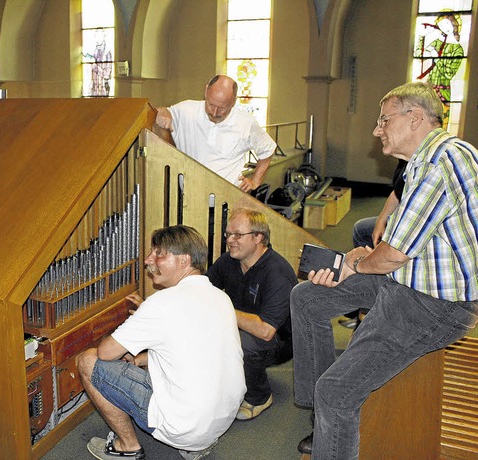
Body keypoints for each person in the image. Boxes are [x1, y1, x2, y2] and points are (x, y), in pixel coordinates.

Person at [292, 81, 478, 458]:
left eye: (383, 120)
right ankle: (322, 415)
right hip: (409, 281)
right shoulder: (435, 156)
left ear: (414, 119)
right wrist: (362, 258)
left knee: (337, 391)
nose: (377, 130)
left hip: (434, 304)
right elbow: (405, 242)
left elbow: (394, 255)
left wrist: (356, 263)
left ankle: (329, 405)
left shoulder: (437, 164)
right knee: (307, 297)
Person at [78, 225, 245, 460]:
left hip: (184, 427)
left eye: (159, 253)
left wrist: (132, 333)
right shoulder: (220, 296)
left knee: (87, 360)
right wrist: (139, 357)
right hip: (220, 421)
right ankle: (196, 446)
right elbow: (191, 348)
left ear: (184, 260)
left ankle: (127, 447)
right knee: (143, 364)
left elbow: (105, 354)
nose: (148, 259)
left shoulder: (162, 302)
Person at [206, 208, 296, 420]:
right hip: (244, 327)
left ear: (258, 237)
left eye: (238, 235)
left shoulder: (277, 273)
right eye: (228, 234)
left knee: (242, 341)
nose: (230, 240)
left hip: (279, 341)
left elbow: (266, 331)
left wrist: (222, 308)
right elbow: (202, 289)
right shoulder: (229, 261)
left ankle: (259, 396)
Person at [155, 75, 277, 193]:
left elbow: (268, 149)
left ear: (234, 102)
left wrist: (255, 181)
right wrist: (163, 112)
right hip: (188, 196)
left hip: (226, 200)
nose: (214, 112)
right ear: (206, 90)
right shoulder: (186, 110)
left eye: (222, 108)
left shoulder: (245, 122)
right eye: (211, 104)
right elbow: (160, 111)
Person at [339, 159, 407, 329]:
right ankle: (362, 304)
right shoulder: (406, 160)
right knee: (362, 229)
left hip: (411, 223)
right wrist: (381, 220)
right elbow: (397, 192)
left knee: (380, 249)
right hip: (401, 215)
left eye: (384, 129)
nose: (378, 132)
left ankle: (370, 307)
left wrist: (358, 264)